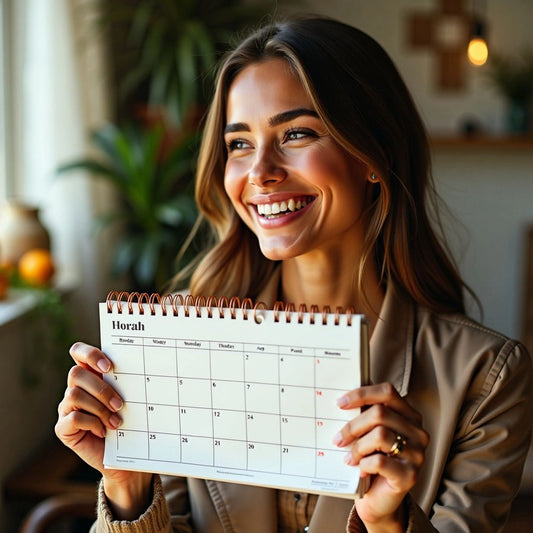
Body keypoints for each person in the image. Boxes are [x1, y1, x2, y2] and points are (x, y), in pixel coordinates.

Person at [55, 16, 533, 532]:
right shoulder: (181, 344)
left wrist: (388, 522)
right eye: (239, 144)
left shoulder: (487, 379)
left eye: (297, 133)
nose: (260, 171)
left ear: (373, 154)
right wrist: (127, 487)